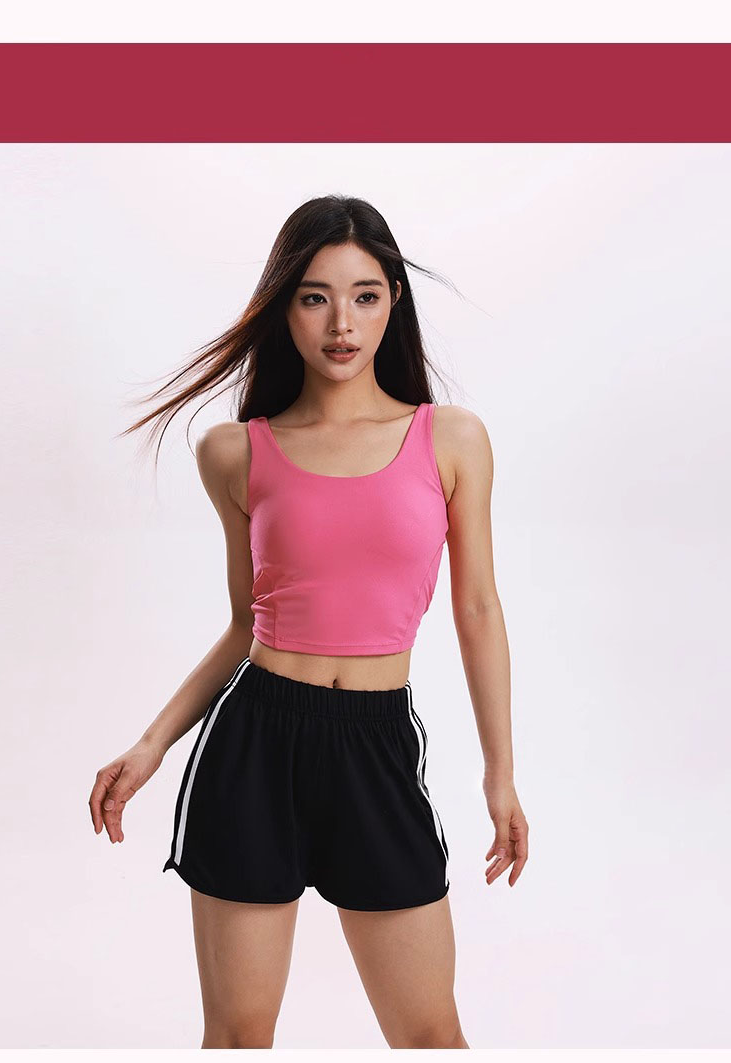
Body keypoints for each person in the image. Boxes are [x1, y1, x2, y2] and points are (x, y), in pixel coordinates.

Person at [88, 194, 528, 1050]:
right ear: (283, 306)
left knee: (430, 1034)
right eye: (314, 297)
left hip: (375, 745)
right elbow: (243, 625)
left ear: (394, 301)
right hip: (253, 746)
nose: (341, 323)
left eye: (365, 295)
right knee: (239, 1036)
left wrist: (499, 774)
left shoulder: (451, 440)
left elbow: (477, 609)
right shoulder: (235, 452)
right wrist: (151, 745)